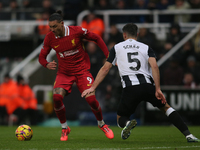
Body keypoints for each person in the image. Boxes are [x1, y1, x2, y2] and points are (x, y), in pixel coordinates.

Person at [81, 23, 200, 142]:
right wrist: (158, 89)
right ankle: (188, 135)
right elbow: (154, 66)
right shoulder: (146, 47)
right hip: (148, 86)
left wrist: (93, 87)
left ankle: (127, 123)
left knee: (120, 119)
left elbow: (105, 69)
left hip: (130, 88)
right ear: (137, 34)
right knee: (166, 108)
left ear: (124, 35)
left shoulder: (117, 47)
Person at [38, 10, 114, 141]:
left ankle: (102, 124)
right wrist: (46, 64)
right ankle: (64, 128)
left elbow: (96, 38)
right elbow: (41, 57)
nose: (52, 29)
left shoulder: (77, 31)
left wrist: (108, 55)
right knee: (56, 97)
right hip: (64, 73)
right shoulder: (50, 37)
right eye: (50, 27)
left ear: (62, 23)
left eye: (55, 26)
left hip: (82, 71)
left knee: (91, 100)